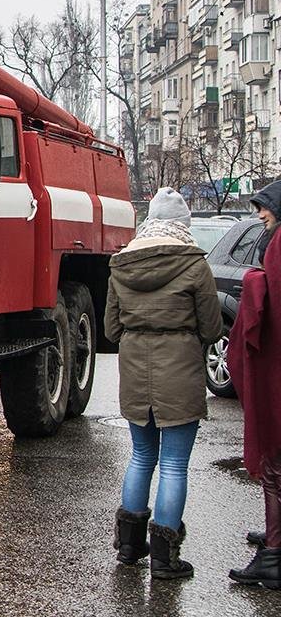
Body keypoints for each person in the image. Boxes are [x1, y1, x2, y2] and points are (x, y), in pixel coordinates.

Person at [106, 187, 223, 579]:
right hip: (180, 374)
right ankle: (164, 558)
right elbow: (211, 326)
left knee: (141, 457)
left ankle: (128, 546)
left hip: (136, 374)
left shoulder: (121, 265)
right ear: (182, 225)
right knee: (174, 464)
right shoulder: (194, 264)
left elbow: (110, 328)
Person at [227, 180, 281, 590]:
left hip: (275, 369)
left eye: (264, 208)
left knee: (274, 459)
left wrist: (254, 283)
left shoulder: (278, 246)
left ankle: (275, 555)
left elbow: (269, 305)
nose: (260, 215)